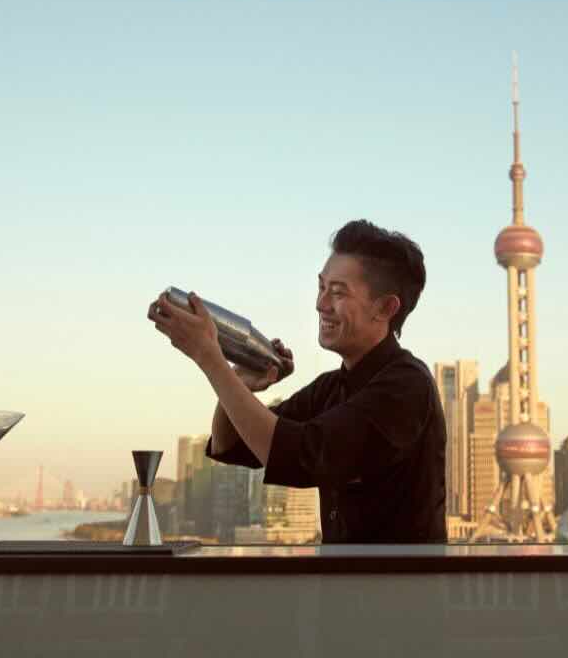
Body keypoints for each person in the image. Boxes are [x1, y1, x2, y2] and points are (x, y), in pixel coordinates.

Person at [147, 219, 446, 544]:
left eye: (338, 293)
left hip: (405, 591)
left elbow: (296, 457)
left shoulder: (406, 387)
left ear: (385, 308)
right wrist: (240, 379)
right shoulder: (331, 388)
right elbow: (233, 445)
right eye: (321, 287)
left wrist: (209, 357)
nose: (321, 304)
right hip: (345, 588)